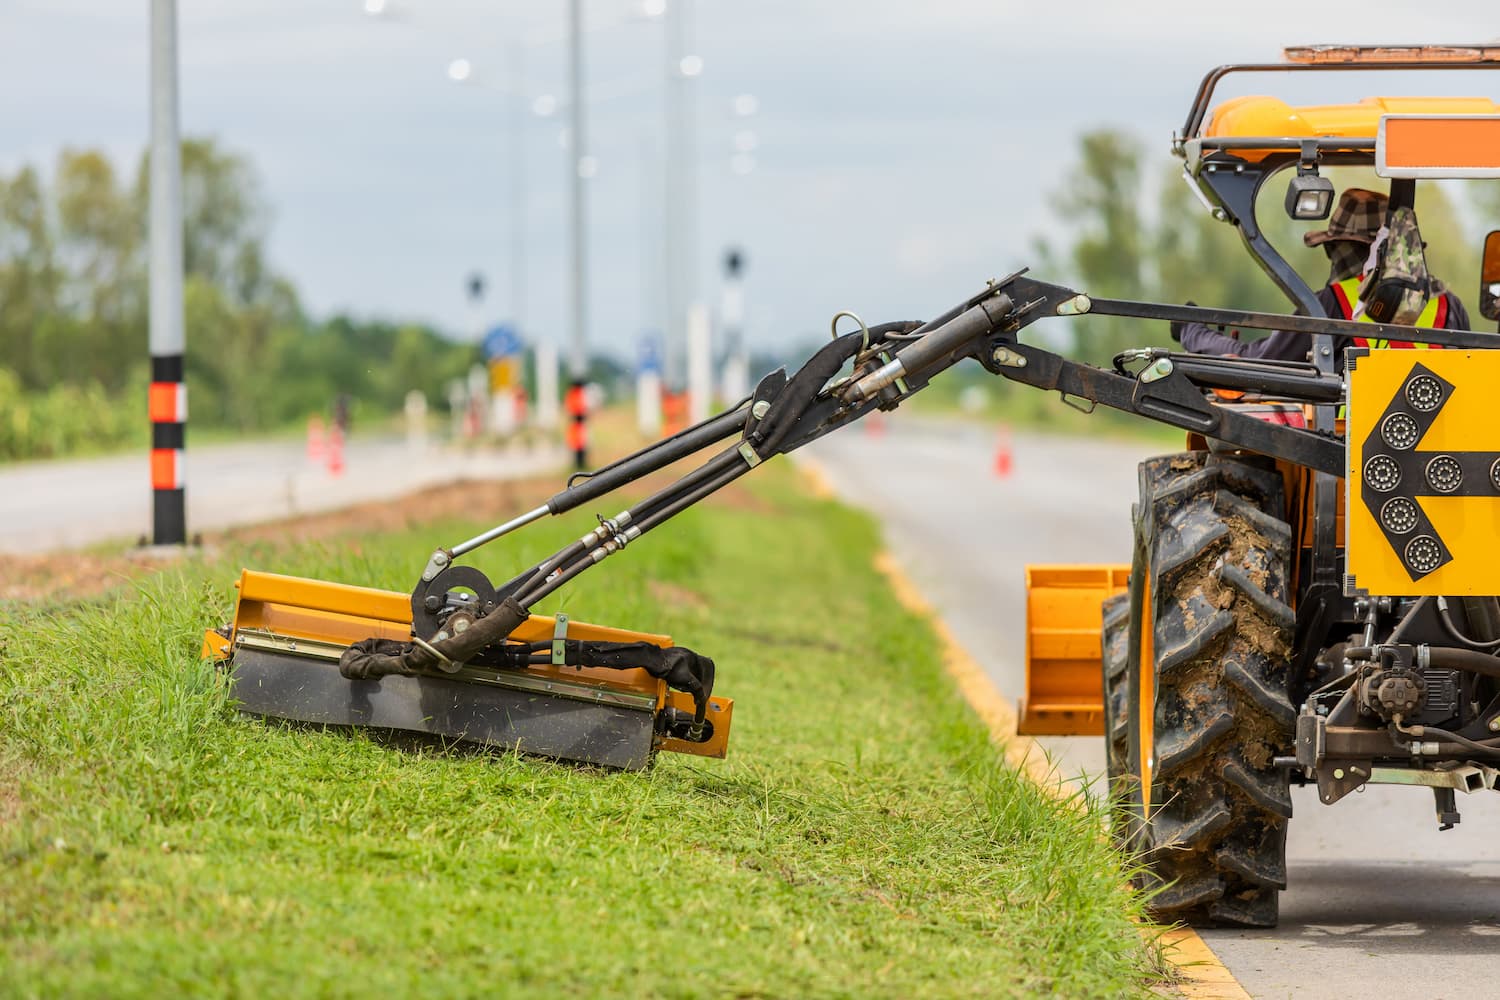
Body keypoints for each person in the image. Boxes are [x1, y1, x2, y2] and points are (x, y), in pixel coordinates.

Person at [1170, 187, 1470, 359]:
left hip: (1342, 452)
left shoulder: (1330, 304)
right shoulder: (1449, 306)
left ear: (1347, 250)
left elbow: (1259, 360)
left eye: (1335, 248)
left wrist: (1193, 332)